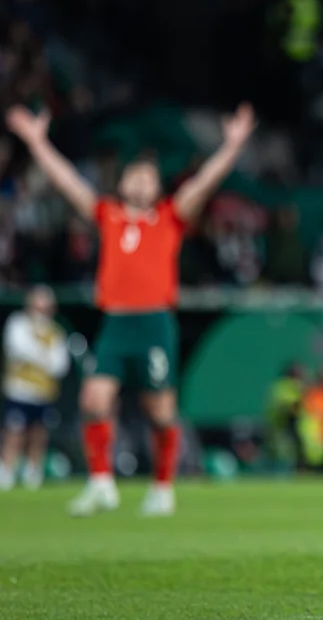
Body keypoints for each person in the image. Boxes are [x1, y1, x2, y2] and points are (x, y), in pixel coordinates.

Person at [5, 102, 256, 517]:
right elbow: (68, 181)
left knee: (160, 412)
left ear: (157, 187)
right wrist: (36, 141)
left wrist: (231, 146)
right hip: (116, 323)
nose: (139, 182)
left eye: (147, 177)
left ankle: (162, 486)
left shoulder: (170, 217)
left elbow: (204, 184)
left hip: (155, 323)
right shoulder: (109, 215)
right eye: (132, 175)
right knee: (93, 400)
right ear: (121, 182)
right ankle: (101, 483)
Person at [0, 286, 70, 491]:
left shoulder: (56, 331)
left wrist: (40, 358)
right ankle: (7, 469)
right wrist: (44, 357)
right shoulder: (18, 324)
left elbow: (60, 364)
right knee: (15, 432)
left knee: (38, 433)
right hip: (19, 390)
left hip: (43, 393)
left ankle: (33, 471)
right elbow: (18, 349)